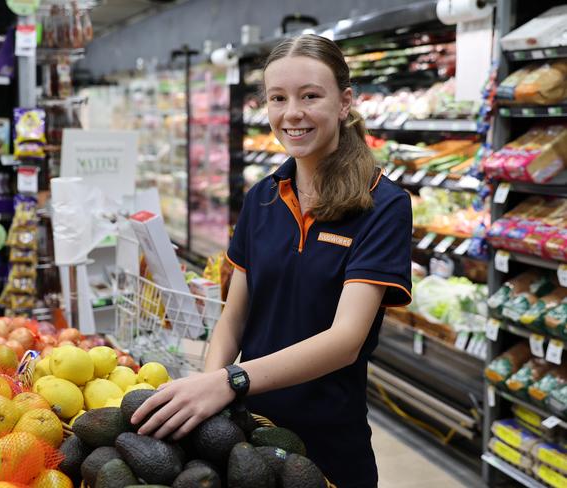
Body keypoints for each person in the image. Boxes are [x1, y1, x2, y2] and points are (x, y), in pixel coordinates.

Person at [131, 34, 412, 488]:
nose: (291, 113)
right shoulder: (263, 196)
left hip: (327, 445)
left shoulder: (384, 205)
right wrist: (211, 395)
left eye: (310, 96)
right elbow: (235, 316)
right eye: (278, 98)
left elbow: (345, 340)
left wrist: (231, 381)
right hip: (248, 435)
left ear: (343, 103)